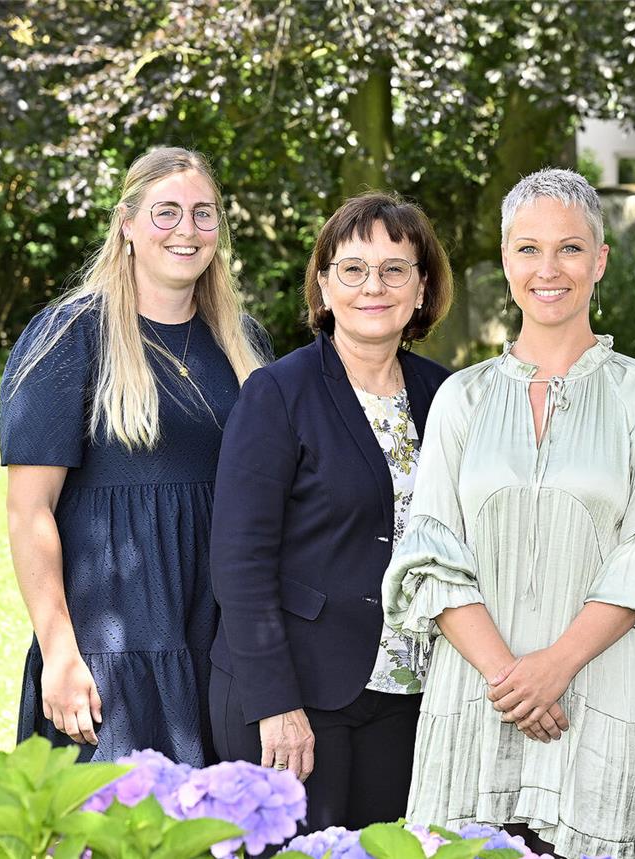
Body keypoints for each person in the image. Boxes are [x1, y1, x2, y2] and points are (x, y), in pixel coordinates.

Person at [382, 168, 635, 859]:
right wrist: (513, 679)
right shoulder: (460, 398)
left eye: (570, 248)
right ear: (505, 260)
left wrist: (554, 666)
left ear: (600, 261)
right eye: (528, 249)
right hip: (478, 700)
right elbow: (432, 555)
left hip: (601, 694)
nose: (548, 268)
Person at [0, 146, 269, 765]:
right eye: (166, 211)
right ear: (126, 223)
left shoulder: (243, 345)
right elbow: (28, 510)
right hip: (111, 642)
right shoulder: (70, 335)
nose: (187, 230)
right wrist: (61, 651)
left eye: (204, 214)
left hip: (219, 634)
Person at [208, 193, 453, 832]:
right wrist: (276, 703)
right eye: (352, 268)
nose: (374, 285)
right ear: (323, 282)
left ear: (422, 287)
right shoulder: (277, 393)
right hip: (299, 693)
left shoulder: (447, 395)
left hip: (411, 691)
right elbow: (240, 560)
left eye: (395, 269)